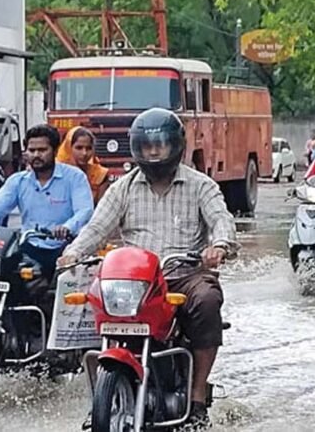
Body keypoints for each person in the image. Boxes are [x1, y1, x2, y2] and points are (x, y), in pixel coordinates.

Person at [58, 108, 239, 429]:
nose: (153, 152)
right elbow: (96, 228)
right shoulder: (123, 187)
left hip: (183, 276)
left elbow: (221, 219)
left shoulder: (201, 185)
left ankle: (196, 399)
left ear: (176, 146)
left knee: (208, 301)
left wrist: (219, 246)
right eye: (146, 146)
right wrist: (73, 253)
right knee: (90, 302)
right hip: (133, 282)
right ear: (136, 149)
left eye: (160, 145)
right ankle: (101, 399)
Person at [0, 124, 94, 282]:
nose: (36, 155)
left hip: (65, 248)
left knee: (64, 293)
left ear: (54, 150)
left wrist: (67, 227)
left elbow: (85, 211)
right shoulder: (18, 181)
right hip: (29, 247)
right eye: (31, 151)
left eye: (42, 150)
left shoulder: (75, 177)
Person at [56, 126, 111, 204]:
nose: (84, 153)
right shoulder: (56, 172)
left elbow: (102, 208)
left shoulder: (100, 175)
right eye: (79, 148)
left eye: (89, 148)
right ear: (68, 148)